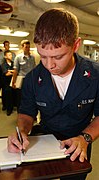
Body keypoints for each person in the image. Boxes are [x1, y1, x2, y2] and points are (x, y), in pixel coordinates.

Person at [7, 8, 99, 180]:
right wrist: (21, 131)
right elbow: (27, 113)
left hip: (79, 141)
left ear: (76, 45)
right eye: (43, 56)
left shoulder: (95, 75)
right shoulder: (32, 79)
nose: (49, 65)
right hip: (43, 140)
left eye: (58, 57)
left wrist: (85, 138)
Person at [12, 40, 36, 111]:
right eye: (26, 47)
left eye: (29, 47)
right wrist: (14, 81)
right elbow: (15, 71)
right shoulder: (18, 58)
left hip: (30, 80)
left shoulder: (32, 58)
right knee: (20, 98)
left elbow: (34, 69)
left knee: (30, 97)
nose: (28, 49)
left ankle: (30, 114)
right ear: (22, 47)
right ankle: (20, 113)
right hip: (22, 80)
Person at [1, 50, 16, 116]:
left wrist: (11, 71)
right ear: (5, 56)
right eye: (9, 55)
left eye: (11, 55)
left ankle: (12, 106)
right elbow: (7, 73)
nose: (11, 56)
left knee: (13, 94)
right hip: (6, 83)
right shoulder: (3, 64)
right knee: (7, 95)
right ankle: (8, 109)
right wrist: (13, 72)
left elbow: (16, 71)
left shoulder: (13, 63)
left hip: (13, 81)